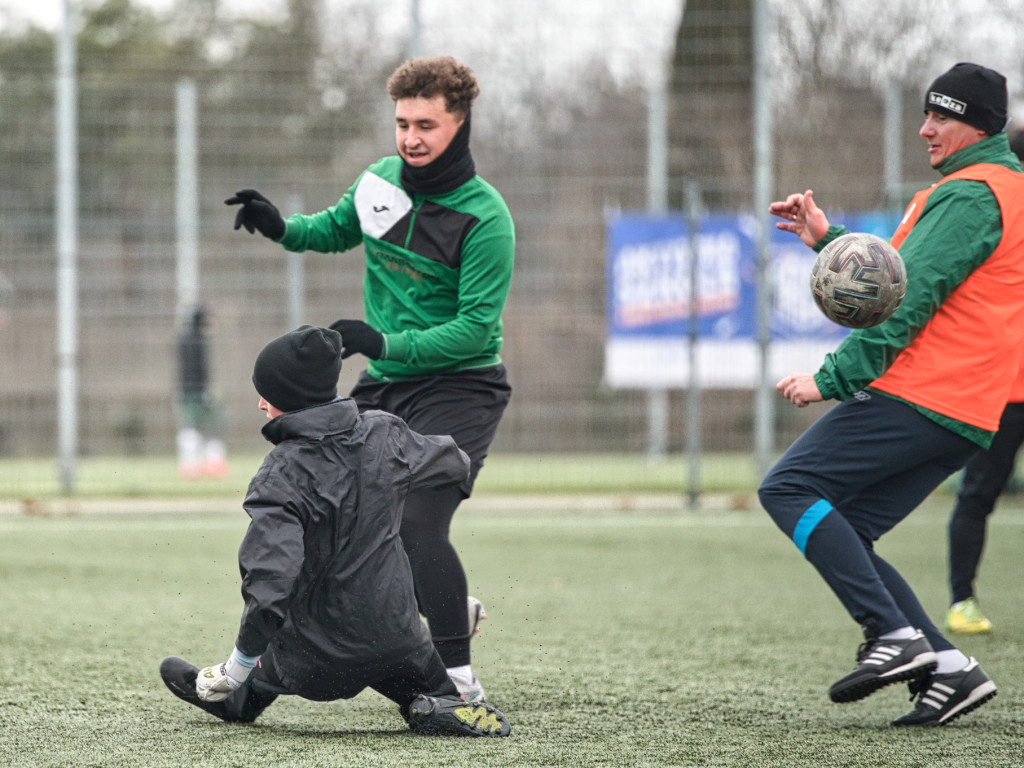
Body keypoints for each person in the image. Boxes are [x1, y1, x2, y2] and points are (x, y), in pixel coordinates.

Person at [224, 55, 514, 704]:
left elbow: (474, 329)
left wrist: (382, 340)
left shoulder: (486, 219)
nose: (411, 138)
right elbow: (330, 230)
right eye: (402, 123)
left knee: (416, 524)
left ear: (460, 121)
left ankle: (458, 683)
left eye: (427, 124)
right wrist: (279, 226)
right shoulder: (381, 180)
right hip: (383, 386)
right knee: (341, 522)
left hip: (461, 386)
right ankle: (443, 608)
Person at [758, 62, 1024, 727]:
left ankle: (893, 635)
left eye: (942, 116)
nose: (925, 128)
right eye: (927, 112)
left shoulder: (971, 194)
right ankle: (950, 668)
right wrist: (827, 239)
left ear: (980, 125)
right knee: (852, 530)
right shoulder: (1001, 188)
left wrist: (834, 377)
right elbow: (909, 276)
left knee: (788, 488)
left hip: (923, 392)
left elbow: (910, 302)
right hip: (968, 408)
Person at [159, 325, 511, 737]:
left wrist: (236, 666)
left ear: (288, 400)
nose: (259, 404)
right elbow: (455, 464)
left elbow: (271, 585)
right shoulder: (385, 434)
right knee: (431, 682)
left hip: (312, 662)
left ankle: (240, 696)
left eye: (266, 394)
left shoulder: (278, 475)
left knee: (261, 672)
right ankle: (437, 703)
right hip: (398, 642)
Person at [943, 127, 1024, 635]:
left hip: (998, 390)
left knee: (974, 498)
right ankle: (962, 600)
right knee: (977, 495)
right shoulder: (989, 216)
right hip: (1002, 390)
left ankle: (961, 600)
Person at [176, 306, 228, 478]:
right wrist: (206, 390)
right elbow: (200, 369)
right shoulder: (199, 342)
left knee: (190, 427)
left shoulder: (183, 340)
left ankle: (191, 465)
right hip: (197, 392)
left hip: (185, 390)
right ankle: (210, 464)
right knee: (210, 426)